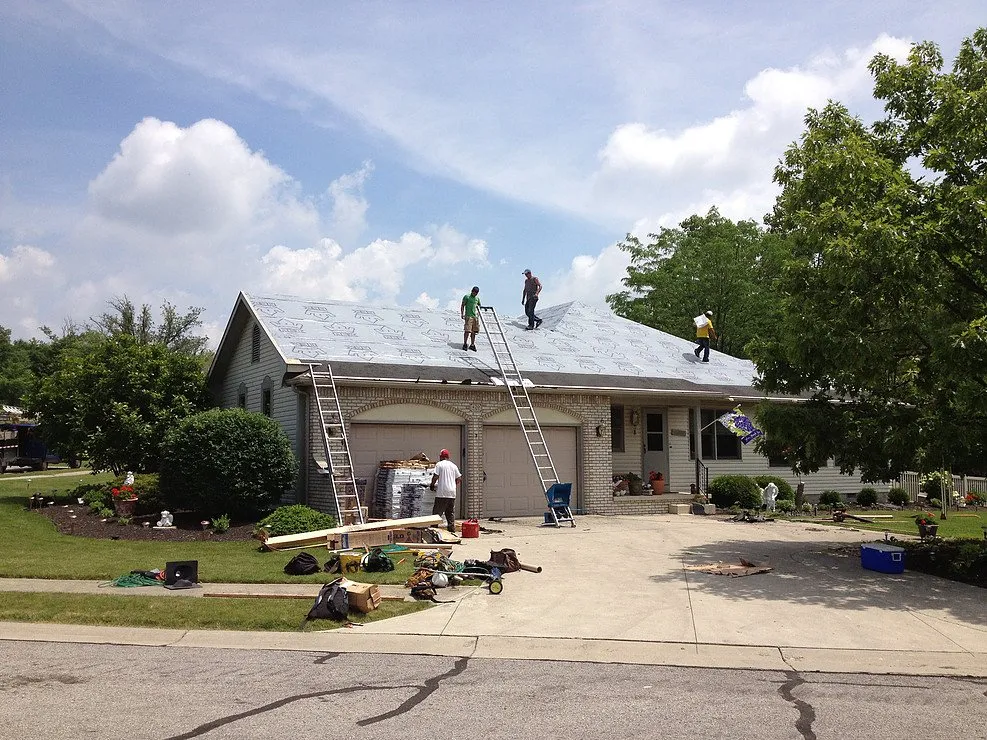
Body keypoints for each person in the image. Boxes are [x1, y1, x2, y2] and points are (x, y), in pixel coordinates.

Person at [429, 449, 461, 533]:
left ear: (441, 456)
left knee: (437, 513)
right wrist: (453, 485)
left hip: (442, 493)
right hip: (452, 493)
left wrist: (432, 485)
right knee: (450, 512)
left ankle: (433, 531)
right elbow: (459, 478)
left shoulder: (439, 464)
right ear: (448, 457)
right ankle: (451, 530)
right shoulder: (453, 465)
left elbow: (435, 476)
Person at [461, 286, 481, 351]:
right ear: (472, 291)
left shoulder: (477, 298)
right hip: (468, 316)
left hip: (475, 317)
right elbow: (462, 305)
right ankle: (465, 344)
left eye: (476, 293)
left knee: (474, 331)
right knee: (467, 330)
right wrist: (462, 314)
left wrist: (478, 314)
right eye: (474, 292)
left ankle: (472, 344)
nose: (475, 294)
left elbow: (479, 306)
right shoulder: (467, 297)